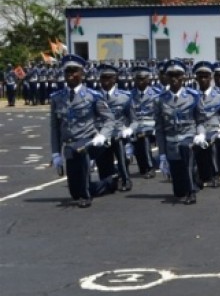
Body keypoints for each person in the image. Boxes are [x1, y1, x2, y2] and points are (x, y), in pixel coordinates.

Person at [49, 54, 117, 208]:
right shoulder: (57, 98)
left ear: (82, 73)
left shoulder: (92, 96)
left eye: (74, 71)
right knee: (74, 192)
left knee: (82, 155)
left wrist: (102, 135)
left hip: (88, 141)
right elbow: (55, 128)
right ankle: (108, 182)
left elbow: (109, 119)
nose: (71, 75)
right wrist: (55, 153)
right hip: (69, 146)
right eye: (67, 71)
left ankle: (86, 196)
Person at [154, 59, 202, 204]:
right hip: (171, 142)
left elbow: (200, 120)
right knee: (178, 191)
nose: (175, 78)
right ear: (166, 77)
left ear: (184, 77)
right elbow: (159, 129)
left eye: (178, 75)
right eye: (171, 75)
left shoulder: (193, 96)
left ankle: (192, 191)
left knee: (186, 154)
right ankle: (189, 185)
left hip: (188, 138)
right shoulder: (160, 100)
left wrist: (200, 134)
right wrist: (162, 154)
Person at [95, 63, 136, 192]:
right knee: (103, 165)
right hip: (101, 134)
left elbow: (134, 120)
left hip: (118, 133)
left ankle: (126, 179)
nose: (105, 81)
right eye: (103, 78)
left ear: (115, 79)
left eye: (109, 78)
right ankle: (109, 181)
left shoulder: (125, 97)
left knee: (120, 150)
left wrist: (129, 130)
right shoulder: (94, 97)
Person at [128, 65, 160, 178]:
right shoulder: (130, 95)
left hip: (153, 126)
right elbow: (131, 116)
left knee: (144, 137)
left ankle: (150, 168)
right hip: (136, 126)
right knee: (137, 141)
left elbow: (159, 114)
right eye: (138, 79)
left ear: (148, 79)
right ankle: (147, 165)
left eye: (143, 79)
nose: (140, 81)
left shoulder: (156, 94)